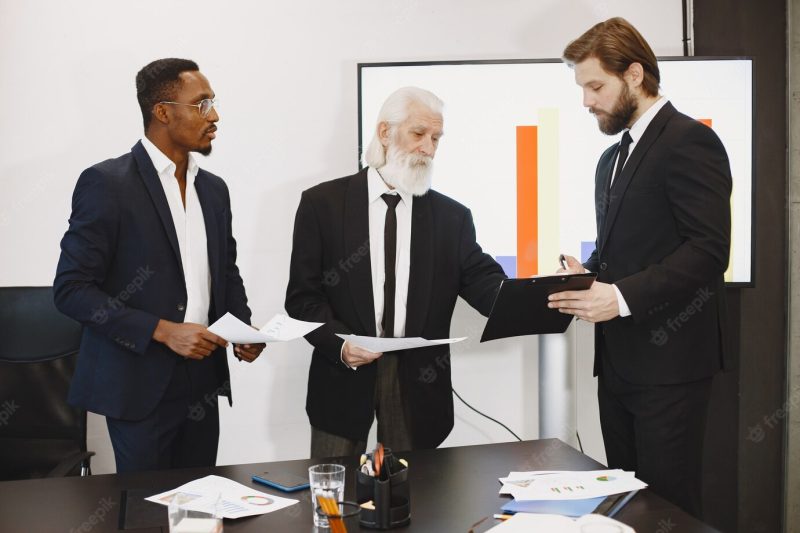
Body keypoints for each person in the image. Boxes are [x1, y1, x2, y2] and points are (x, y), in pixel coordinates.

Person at [549, 18, 732, 518]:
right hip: (618, 364)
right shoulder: (611, 158)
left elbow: (709, 250)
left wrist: (621, 297)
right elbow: (628, 251)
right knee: (627, 508)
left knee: (669, 512)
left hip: (671, 369)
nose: (586, 101)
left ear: (634, 75)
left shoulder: (690, 141)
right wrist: (584, 274)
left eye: (595, 86)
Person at [54, 58, 264, 472]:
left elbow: (224, 272)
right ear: (163, 112)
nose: (215, 115)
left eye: (213, 103)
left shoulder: (213, 189)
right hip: (138, 382)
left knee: (201, 505)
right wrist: (164, 331)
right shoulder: (107, 184)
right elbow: (71, 290)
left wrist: (242, 327)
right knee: (148, 512)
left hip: (204, 378)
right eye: (202, 104)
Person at [285, 87, 507, 458]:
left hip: (418, 386)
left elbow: (485, 284)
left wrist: (542, 292)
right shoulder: (321, 204)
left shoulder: (452, 217)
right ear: (385, 133)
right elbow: (302, 299)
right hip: (342, 375)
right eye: (419, 134)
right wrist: (340, 344)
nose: (429, 148)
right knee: (334, 502)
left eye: (436, 138)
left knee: (418, 503)